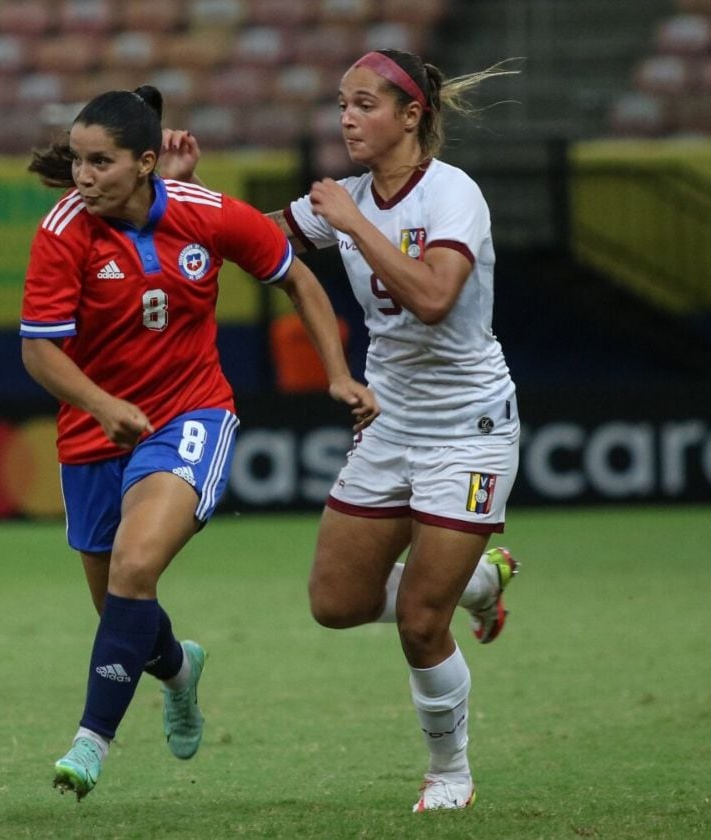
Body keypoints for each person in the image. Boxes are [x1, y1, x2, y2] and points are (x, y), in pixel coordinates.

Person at [167, 48, 523, 811]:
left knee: (421, 622)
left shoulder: (452, 194)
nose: (347, 118)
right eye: (342, 103)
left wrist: (354, 222)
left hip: (469, 424)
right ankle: (481, 581)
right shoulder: (348, 199)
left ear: (411, 114)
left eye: (364, 104)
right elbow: (248, 241)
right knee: (334, 602)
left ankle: (450, 772)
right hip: (389, 421)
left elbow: (432, 298)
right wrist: (186, 194)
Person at [20, 86, 377, 801]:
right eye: (78, 161)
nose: (83, 176)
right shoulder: (63, 232)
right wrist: (100, 403)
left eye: (100, 162)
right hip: (93, 430)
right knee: (124, 605)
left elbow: (298, 279)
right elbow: (39, 355)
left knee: (135, 564)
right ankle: (179, 668)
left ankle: (91, 742)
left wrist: (339, 373)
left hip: (189, 416)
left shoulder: (207, 215)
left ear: (145, 162)